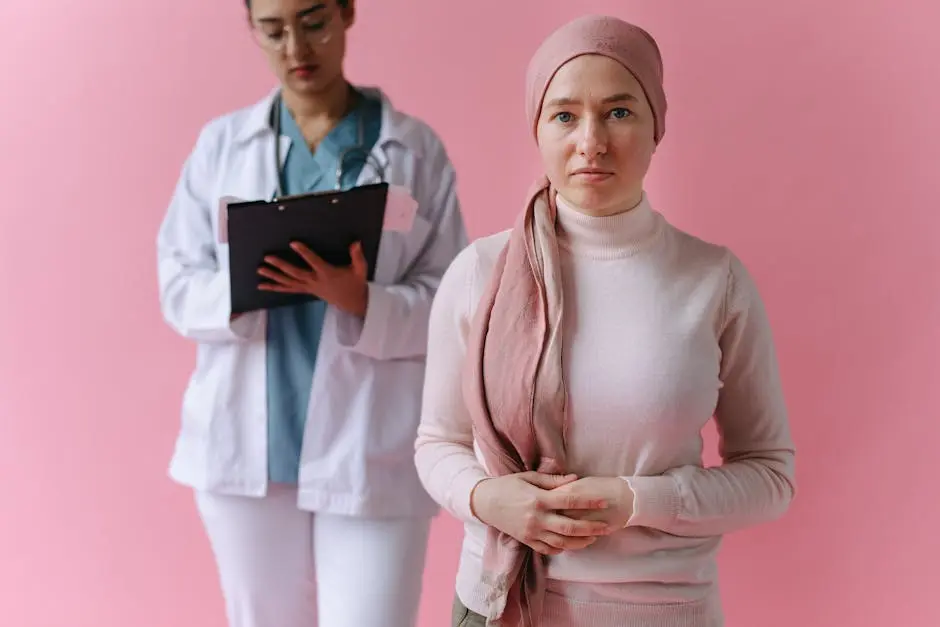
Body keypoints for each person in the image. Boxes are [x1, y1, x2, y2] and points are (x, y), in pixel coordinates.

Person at [414, 14, 796, 627]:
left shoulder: (713, 280)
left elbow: (771, 475)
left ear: (656, 127)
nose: (591, 140)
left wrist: (640, 502)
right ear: (537, 128)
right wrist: (488, 499)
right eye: (564, 115)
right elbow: (438, 443)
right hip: (497, 603)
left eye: (619, 112)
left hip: (664, 608)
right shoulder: (480, 272)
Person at [155, 0, 467, 626]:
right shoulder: (221, 147)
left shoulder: (413, 151)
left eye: (314, 21)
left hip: (369, 446)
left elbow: (453, 298)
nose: (296, 47)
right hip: (245, 451)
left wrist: (364, 302)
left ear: (348, 12)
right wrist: (246, 286)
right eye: (273, 30)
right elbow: (179, 284)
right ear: (253, 29)